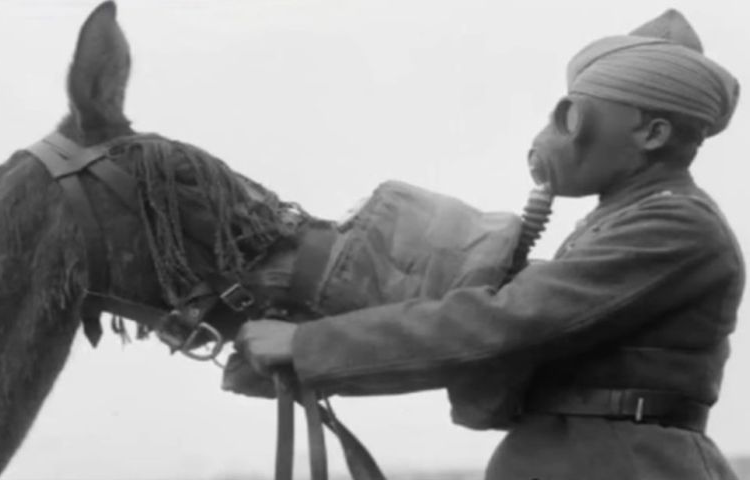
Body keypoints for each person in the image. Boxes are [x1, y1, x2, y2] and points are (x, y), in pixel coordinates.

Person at [233, 9, 744, 480]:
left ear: (652, 135)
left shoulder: (677, 225)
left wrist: (308, 346)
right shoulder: (617, 220)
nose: (553, 136)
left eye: (572, 118)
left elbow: (504, 321)